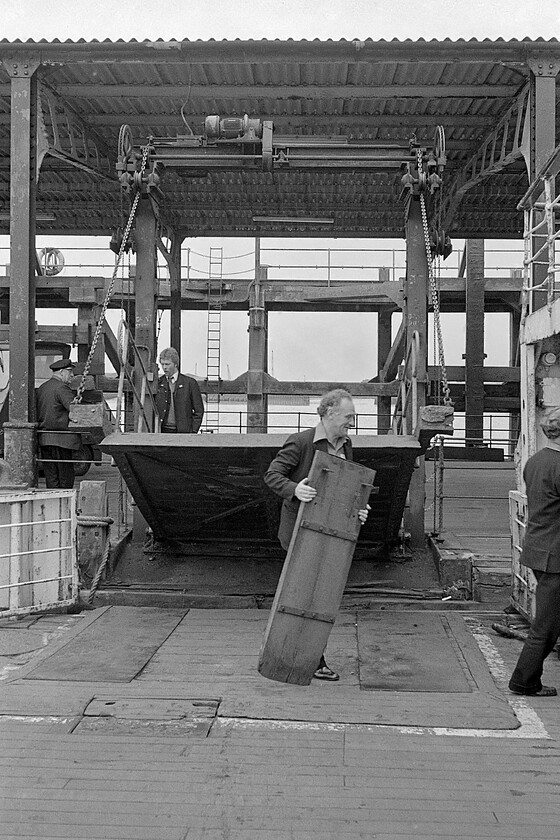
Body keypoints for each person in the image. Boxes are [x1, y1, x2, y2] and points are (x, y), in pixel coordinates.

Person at [264, 388, 369, 681]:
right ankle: (300, 659)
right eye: (349, 416)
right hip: (299, 532)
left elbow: (349, 488)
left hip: (330, 532)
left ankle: (307, 658)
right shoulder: (300, 442)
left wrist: (360, 509)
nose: (353, 422)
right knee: (303, 594)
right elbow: (272, 475)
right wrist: (295, 489)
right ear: (329, 412)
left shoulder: (347, 446)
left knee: (320, 596)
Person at [509, 406, 560, 698]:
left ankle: (528, 679)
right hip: (555, 554)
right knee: (545, 627)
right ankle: (524, 681)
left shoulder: (534, 462)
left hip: (538, 547)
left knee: (552, 620)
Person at [36, 358, 81, 489]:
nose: (72, 375)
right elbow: (75, 410)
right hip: (62, 440)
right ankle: (65, 506)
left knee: (51, 477)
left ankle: (53, 506)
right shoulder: (62, 388)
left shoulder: (43, 388)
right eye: (70, 371)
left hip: (45, 439)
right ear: (62, 372)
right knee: (65, 477)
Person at [155, 347, 204, 434]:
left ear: (175, 364)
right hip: (162, 432)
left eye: (167, 364)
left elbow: (198, 410)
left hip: (183, 433)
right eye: (162, 364)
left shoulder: (190, 383)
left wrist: (193, 431)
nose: (164, 367)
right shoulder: (158, 383)